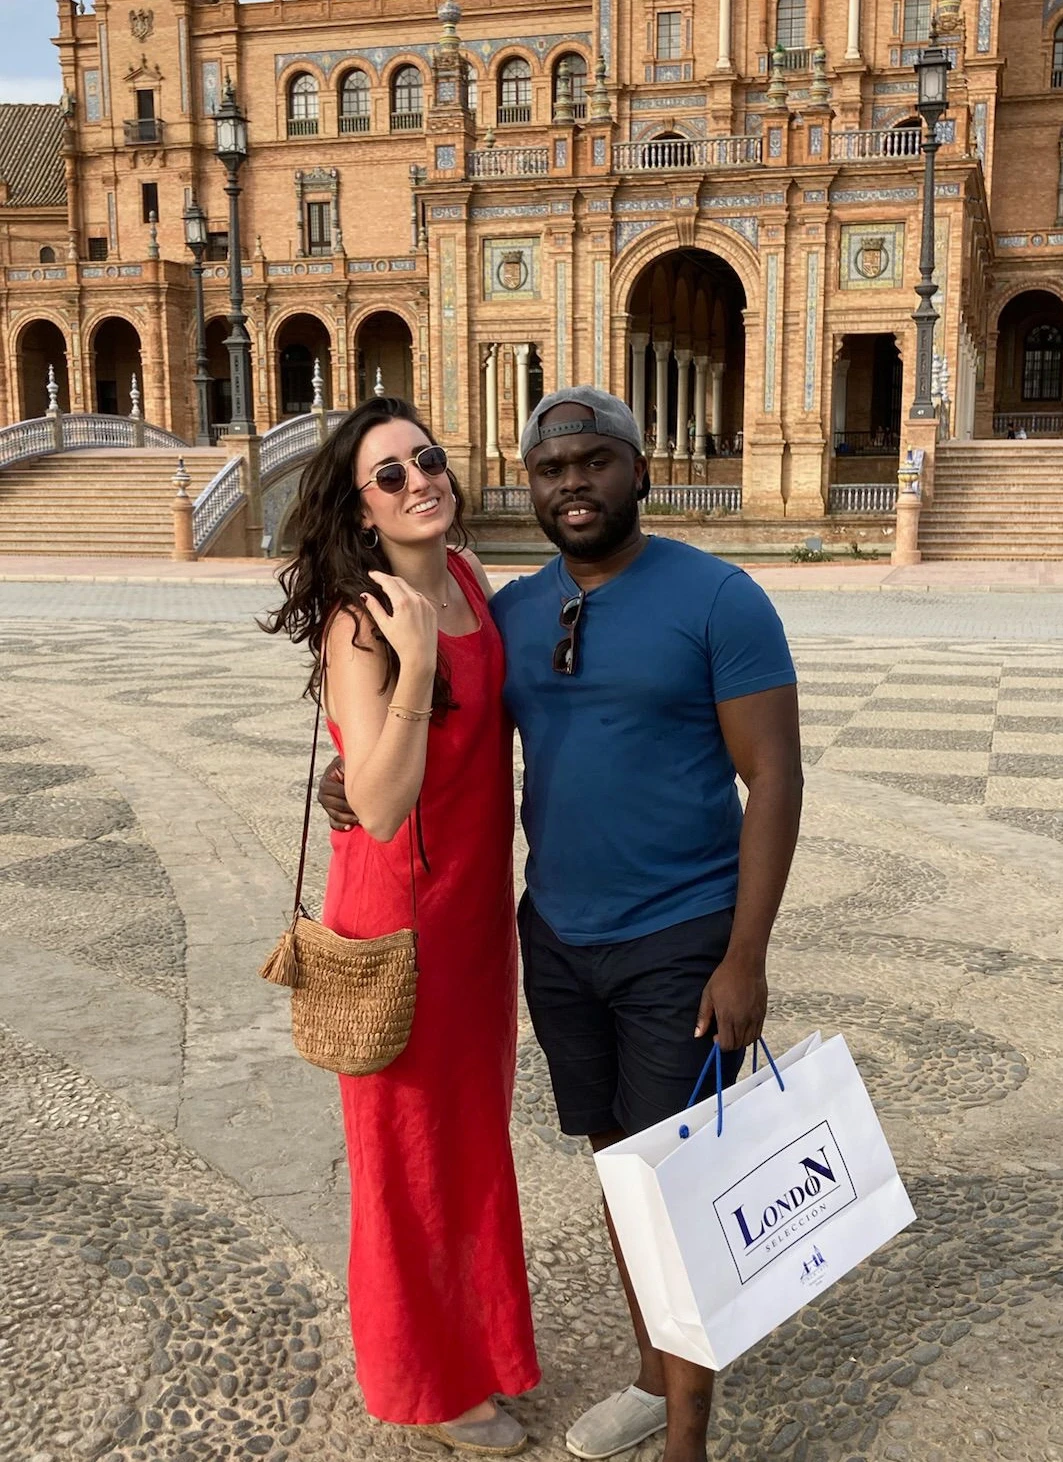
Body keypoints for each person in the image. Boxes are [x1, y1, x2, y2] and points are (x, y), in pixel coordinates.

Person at [320, 386, 803, 1462]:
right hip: (546, 940)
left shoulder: (715, 597)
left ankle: (685, 1434)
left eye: (594, 461)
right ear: (528, 484)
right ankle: (644, 1375)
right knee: (620, 1174)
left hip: (675, 936)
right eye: (550, 467)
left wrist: (745, 956)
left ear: (642, 469)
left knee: (676, 1182)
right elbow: (404, 734)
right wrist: (350, 779)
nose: (572, 482)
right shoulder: (504, 604)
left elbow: (774, 776)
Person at [266, 396, 539, 1456]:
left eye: (426, 457)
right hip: (396, 925)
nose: (420, 479)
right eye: (390, 475)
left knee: (470, 1152)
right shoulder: (361, 619)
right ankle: (421, 1380)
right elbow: (378, 803)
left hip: (474, 920)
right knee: (405, 1165)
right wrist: (416, 668)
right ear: (361, 509)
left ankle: (482, 1352)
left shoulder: (468, 579)